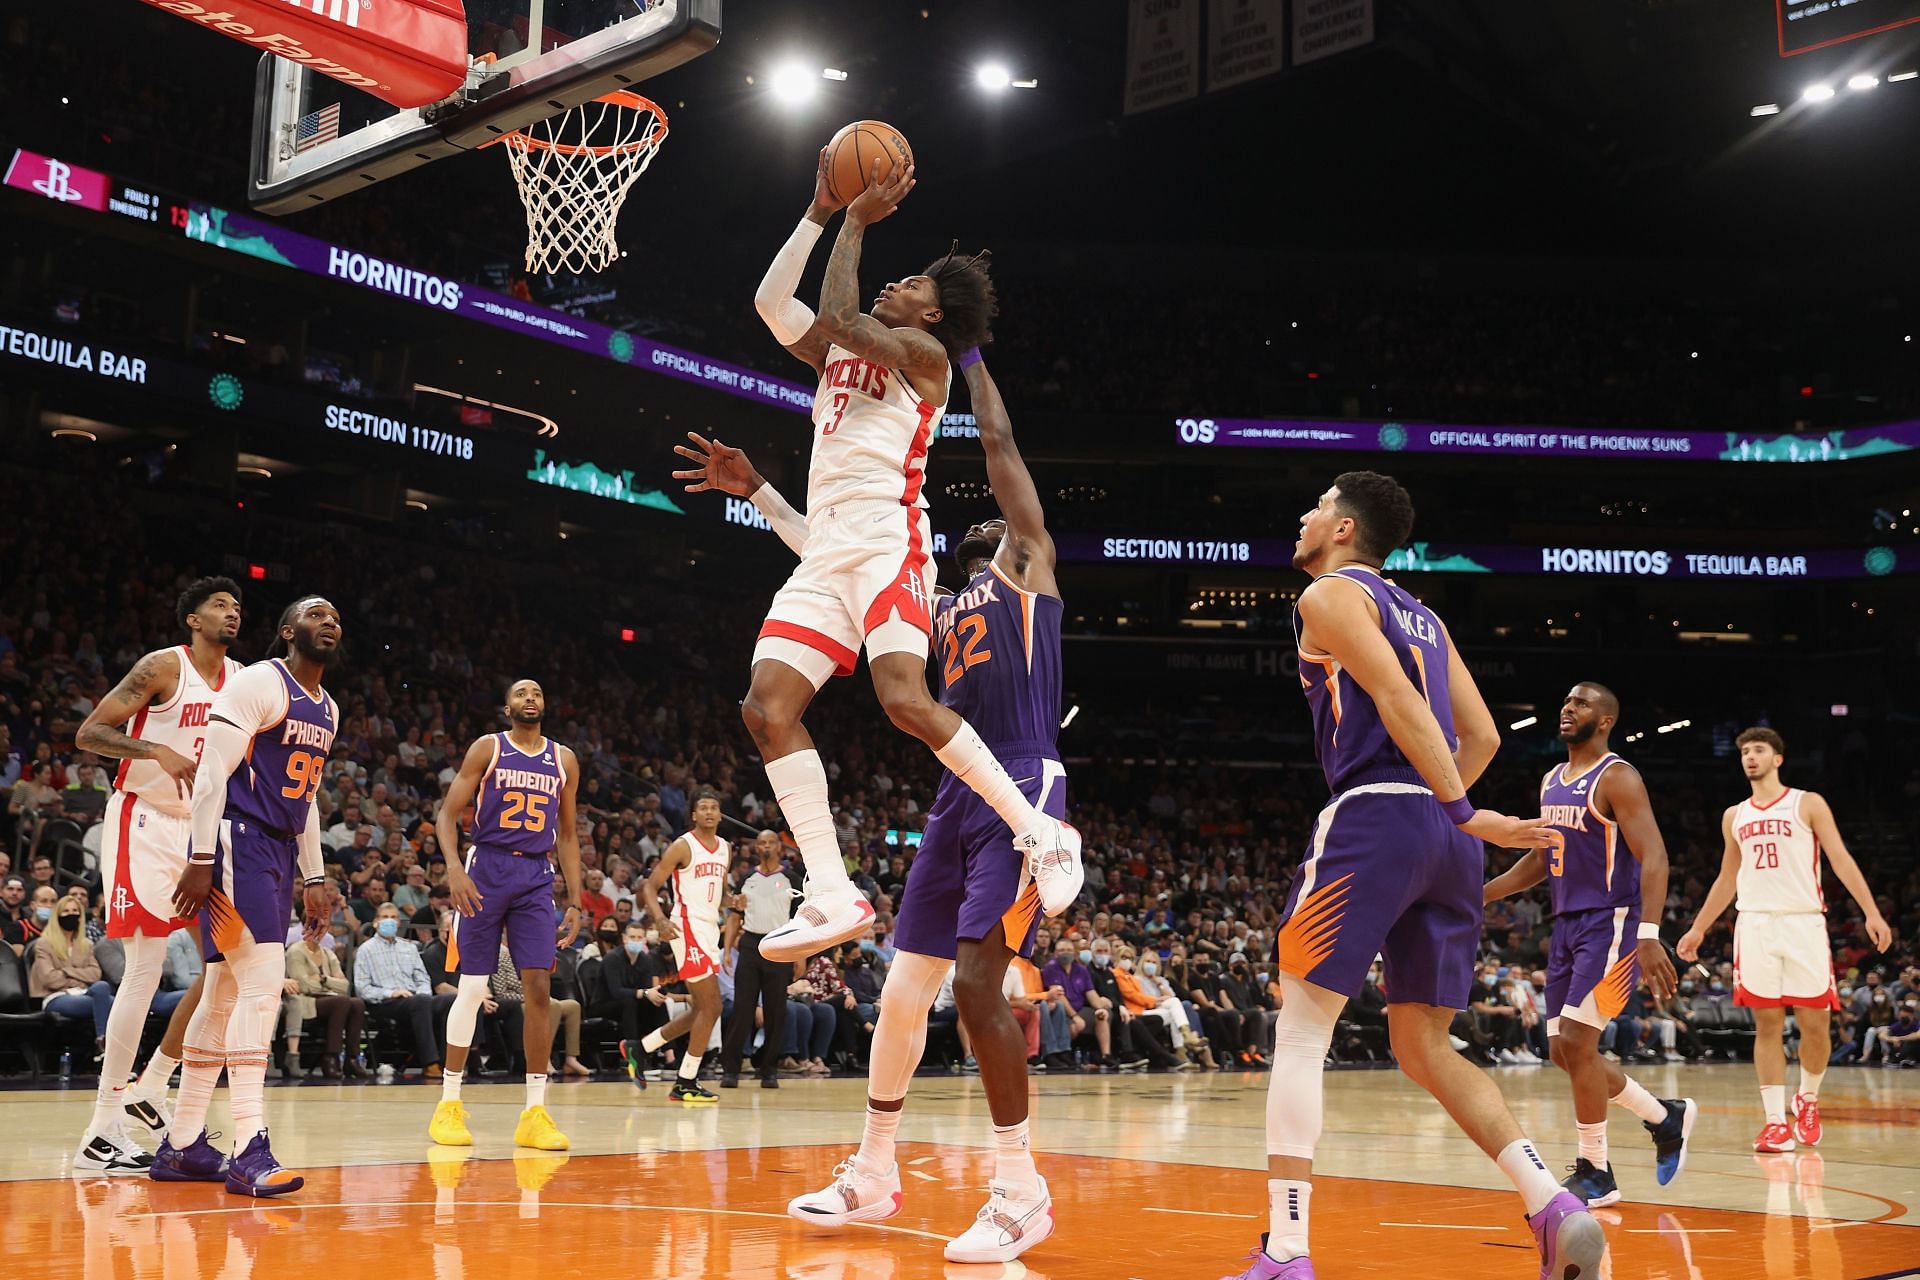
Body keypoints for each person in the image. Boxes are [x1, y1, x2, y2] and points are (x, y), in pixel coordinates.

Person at [684, 348, 1071, 1260]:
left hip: (1023, 780)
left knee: (979, 984)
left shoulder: (1027, 569)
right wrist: (763, 496)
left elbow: (1004, 445)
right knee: (903, 995)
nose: (985, 537)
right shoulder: (932, 596)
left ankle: (1021, 1187)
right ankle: (874, 1171)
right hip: (957, 793)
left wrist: (974, 357)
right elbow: (834, 555)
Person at [1222, 473, 1595, 1280]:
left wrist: (1457, 810)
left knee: (1301, 1029)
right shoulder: (1426, 615)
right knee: (1425, 1046)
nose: (1303, 515)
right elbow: (1486, 734)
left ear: (1346, 528)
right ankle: (1550, 1202)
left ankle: (1287, 1251)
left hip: (1380, 817)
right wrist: (1455, 812)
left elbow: (1394, 698)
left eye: (1317, 505)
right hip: (1443, 836)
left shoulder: (1328, 597)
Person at [727, 147, 1079, 966]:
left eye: (915, 284)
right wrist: (818, 212)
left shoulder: (923, 364)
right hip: (828, 543)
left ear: (932, 318)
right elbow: (771, 300)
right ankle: (832, 891)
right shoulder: (841, 353)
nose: (900, 284)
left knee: (903, 701)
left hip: (891, 537)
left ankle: (1041, 834)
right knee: (765, 712)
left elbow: (849, 320)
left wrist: (853, 221)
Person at [1483, 681, 1696, 1207]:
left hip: (1612, 921)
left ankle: (1596, 1171)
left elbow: (1655, 857)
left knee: (1578, 1043)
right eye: (1566, 701)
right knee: (1563, 1051)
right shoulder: (1552, 780)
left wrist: (1648, 934)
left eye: (1580, 704)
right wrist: (1480, 896)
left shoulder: (1618, 776)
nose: (1567, 708)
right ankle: (1664, 1117)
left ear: (1604, 720)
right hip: (1567, 923)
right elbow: (1540, 859)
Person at [158, 596, 340, 1196]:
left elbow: (306, 796)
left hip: (277, 850)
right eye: (315, 614)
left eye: (335, 615)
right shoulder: (263, 682)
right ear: (288, 631)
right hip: (239, 840)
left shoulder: (329, 709)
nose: (329, 621)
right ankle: (247, 1146)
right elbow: (212, 772)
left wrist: (314, 876)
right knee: (261, 992)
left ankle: (183, 1143)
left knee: (224, 993)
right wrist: (202, 857)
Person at [67, 576, 242, 1172]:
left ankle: (151, 1086)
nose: (232, 612)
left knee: (229, 964)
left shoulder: (242, 681)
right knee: (143, 971)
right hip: (142, 820)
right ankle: (102, 1126)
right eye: (219, 604)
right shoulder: (162, 668)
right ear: (192, 619)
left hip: (202, 830)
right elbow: (89, 733)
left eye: (237, 605)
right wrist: (156, 752)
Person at [1677, 727, 1892, 1152]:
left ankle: (1807, 1098)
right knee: (1768, 1024)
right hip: (1755, 924)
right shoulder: (1733, 815)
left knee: (1815, 1023)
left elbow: (1840, 859)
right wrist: (1699, 926)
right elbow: (1728, 877)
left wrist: (1871, 911)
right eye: (1744, 752)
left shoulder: (1806, 803)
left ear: (1778, 758)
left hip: (1803, 923)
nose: (1750, 757)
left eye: (1758, 750)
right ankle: (1775, 1121)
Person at [427, 679, 583, 1151]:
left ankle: (535, 1112)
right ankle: (448, 1104)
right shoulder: (487, 748)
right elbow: (446, 814)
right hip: (486, 866)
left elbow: (569, 834)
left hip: (536, 875)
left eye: (537, 692)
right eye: (520, 693)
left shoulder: (564, 759)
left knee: (539, 987)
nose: (530, 698)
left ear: (545, 703)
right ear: (508, 707)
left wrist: (575, 898)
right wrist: (454, 868)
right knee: (473, 987)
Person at [627, 791, 728, 1104]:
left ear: (720, 815)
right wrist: (658, 920)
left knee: (701, 1009)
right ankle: (686, 1080)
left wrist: (731, 901)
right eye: (703, 808)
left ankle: (640, 1048)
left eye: (714, 807)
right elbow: (649, 885)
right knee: (713, 1007)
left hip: (710, 929)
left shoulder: (726, 848)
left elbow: (713, 892)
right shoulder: (683, 845)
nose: (709, 812)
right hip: (686, 927)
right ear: (694, 816)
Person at [719, 831, 794, 1088]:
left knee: (775, 1011)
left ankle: (769, 1069)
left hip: (781, 944)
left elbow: (803, 920)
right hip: (751, 944)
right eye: (761, 842)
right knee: (742, 1009)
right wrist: (728, 950)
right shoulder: (747, 879)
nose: (765, 846)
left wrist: (800, 954)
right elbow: (734, 916)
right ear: (756, 848)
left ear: (779, 847)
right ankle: (731, 1068)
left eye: (770, 842)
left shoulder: (791, 879)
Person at [30, 890, 115, 1050]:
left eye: (75, 911)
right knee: (109, 1004)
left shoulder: (86, 944)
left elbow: (95, 974)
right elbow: (49, 978)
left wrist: (65, 971)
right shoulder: (44, 943)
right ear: (57, 915)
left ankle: (102, 1040)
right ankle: (106, 1046)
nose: (71, 915)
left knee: (103, 988)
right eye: (66, 911)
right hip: (56, 997)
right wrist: (79, 975)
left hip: (84, 993)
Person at [282, 928, 366, 1079]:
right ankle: (331, 1058)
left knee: (357, 1003)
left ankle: (352, 1058)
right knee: (341, 1002)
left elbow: (345, 986)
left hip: (330, 998)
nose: (317, 932)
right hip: (305, 1001)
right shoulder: (296, 952)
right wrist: (330, 983)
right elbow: (301, 985)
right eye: (313, 928)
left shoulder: (328, 953)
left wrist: (323, 979)